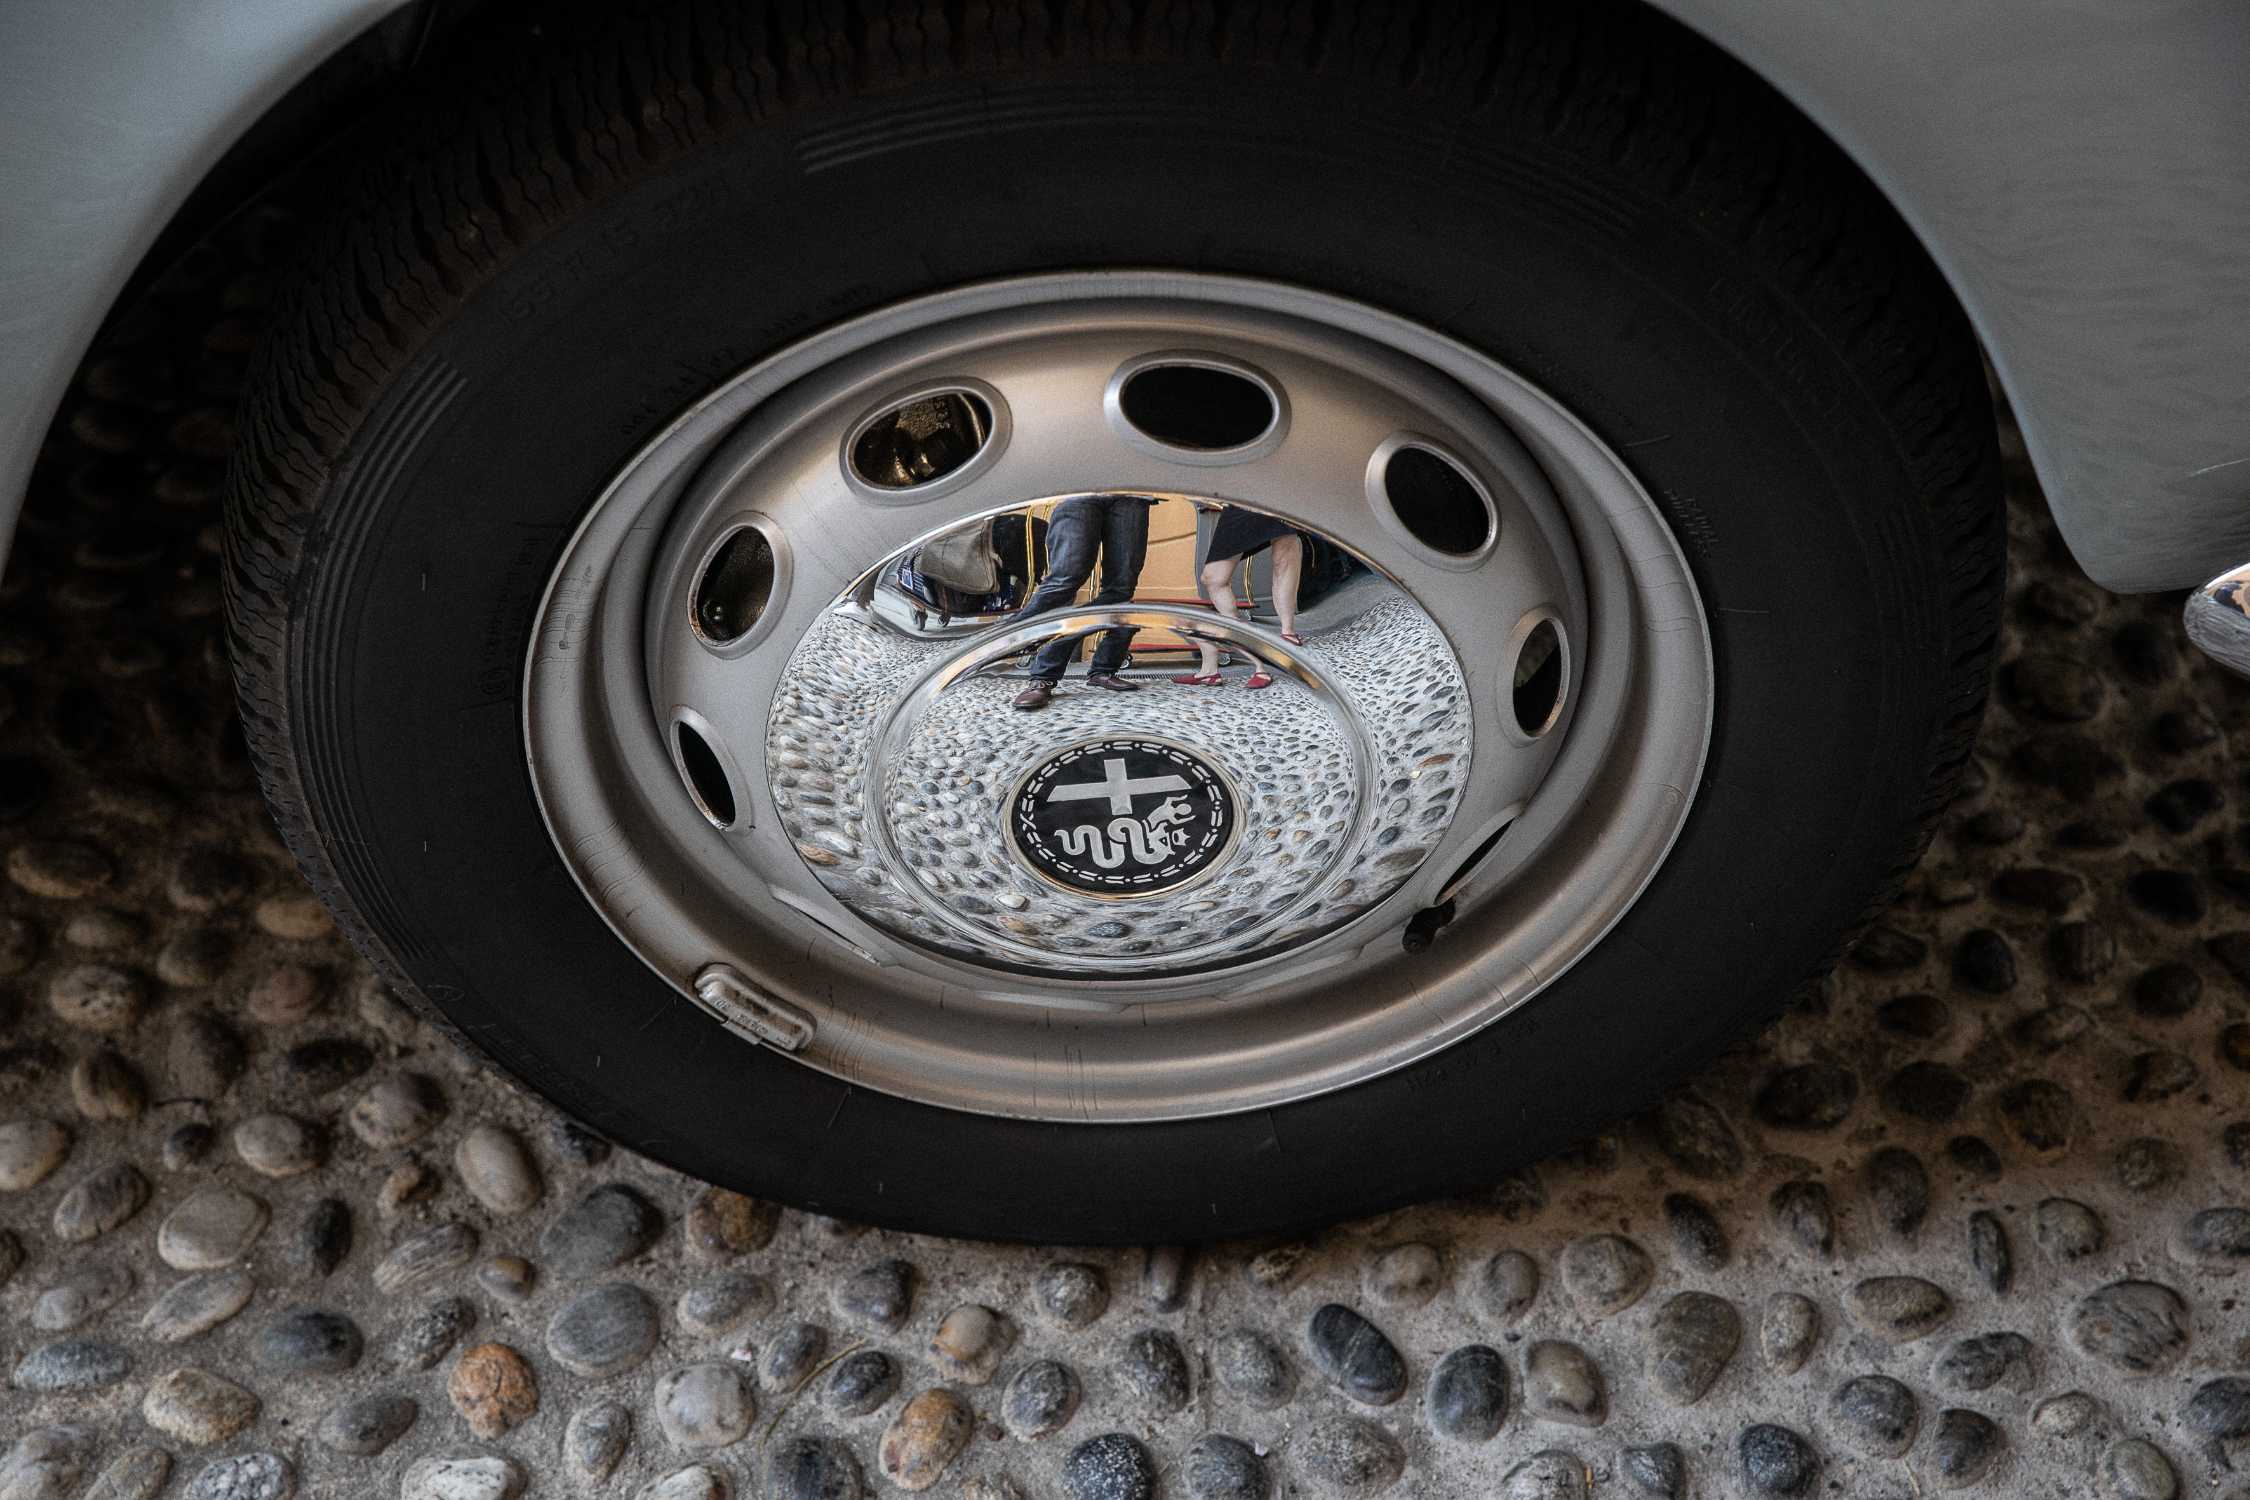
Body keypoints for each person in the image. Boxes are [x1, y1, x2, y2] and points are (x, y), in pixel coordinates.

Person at [1007, 494, 1156, 711]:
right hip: (1079, 489)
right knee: (1063, 582)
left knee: (1120, 591)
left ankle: (1103, 670)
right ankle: (1017, 647)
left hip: (1131, 494)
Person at [1173, 505, 1304, 690]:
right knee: (1212, 578)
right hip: (1242, 497)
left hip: (1280, 492)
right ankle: (1233, 661)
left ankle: (1286, 635)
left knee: (1284, 549)